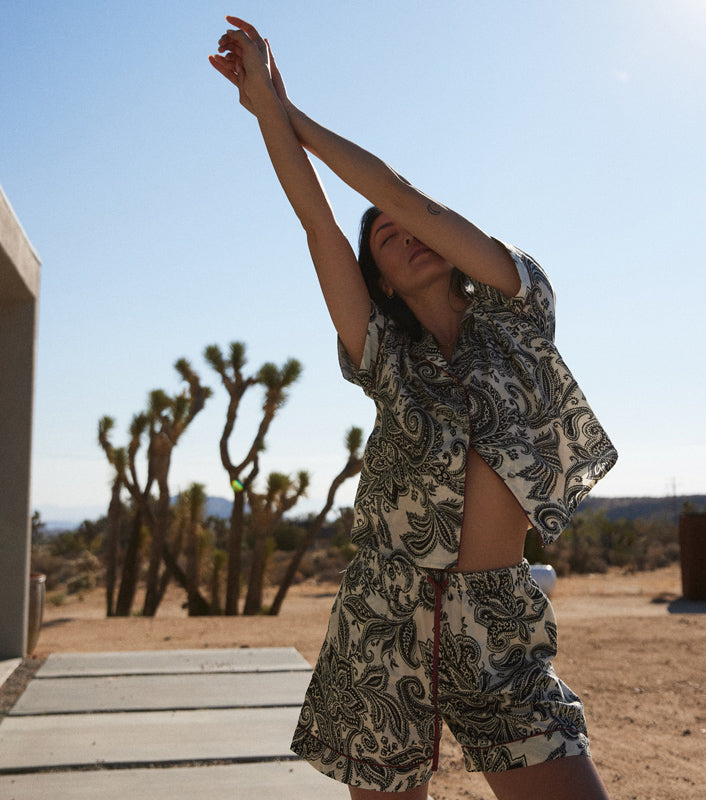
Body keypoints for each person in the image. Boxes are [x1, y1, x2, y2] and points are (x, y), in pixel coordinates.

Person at [210, 17, 618, 800]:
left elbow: (400, 196)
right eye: (386, 241)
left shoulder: (517, 309)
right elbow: (319, 225)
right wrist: (267, 114)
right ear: (383, 284)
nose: (402, 231)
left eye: (412, 223)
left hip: (498, 620)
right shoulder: (384, 357)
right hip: (384, 617)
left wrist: (285, 108)